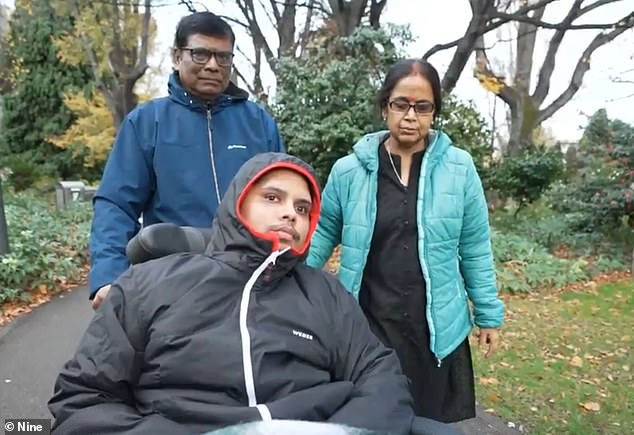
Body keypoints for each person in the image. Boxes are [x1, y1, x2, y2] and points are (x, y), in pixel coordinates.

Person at [48, 153, 415, 435]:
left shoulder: (325, 293)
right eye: (273, 197)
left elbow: (380, 377)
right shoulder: (148, 284)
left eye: (302, 208)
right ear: (237, 203)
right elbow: (84, 399)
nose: (290, 214)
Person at [306, 59, 505, 423]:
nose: (410, 116)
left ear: (434, 113)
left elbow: (475, 246)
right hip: (368, 325)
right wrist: (287, 285)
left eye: (422, 106)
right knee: (371, 420)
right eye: (401, 104)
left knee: (427, 423)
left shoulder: (460, 168)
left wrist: (488, 315)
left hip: (433, 329)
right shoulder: (349, 171)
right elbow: (321, 234)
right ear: (385, 108)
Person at [89, 11, 284, 309]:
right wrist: (108, 275)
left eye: (223, 57)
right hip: (173, 281)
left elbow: (283, 198)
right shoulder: (147, 122)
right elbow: (116, 203)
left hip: (252, 280)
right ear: (177, 57)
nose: (212, 65)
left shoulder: (258, 123)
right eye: (201, 54)